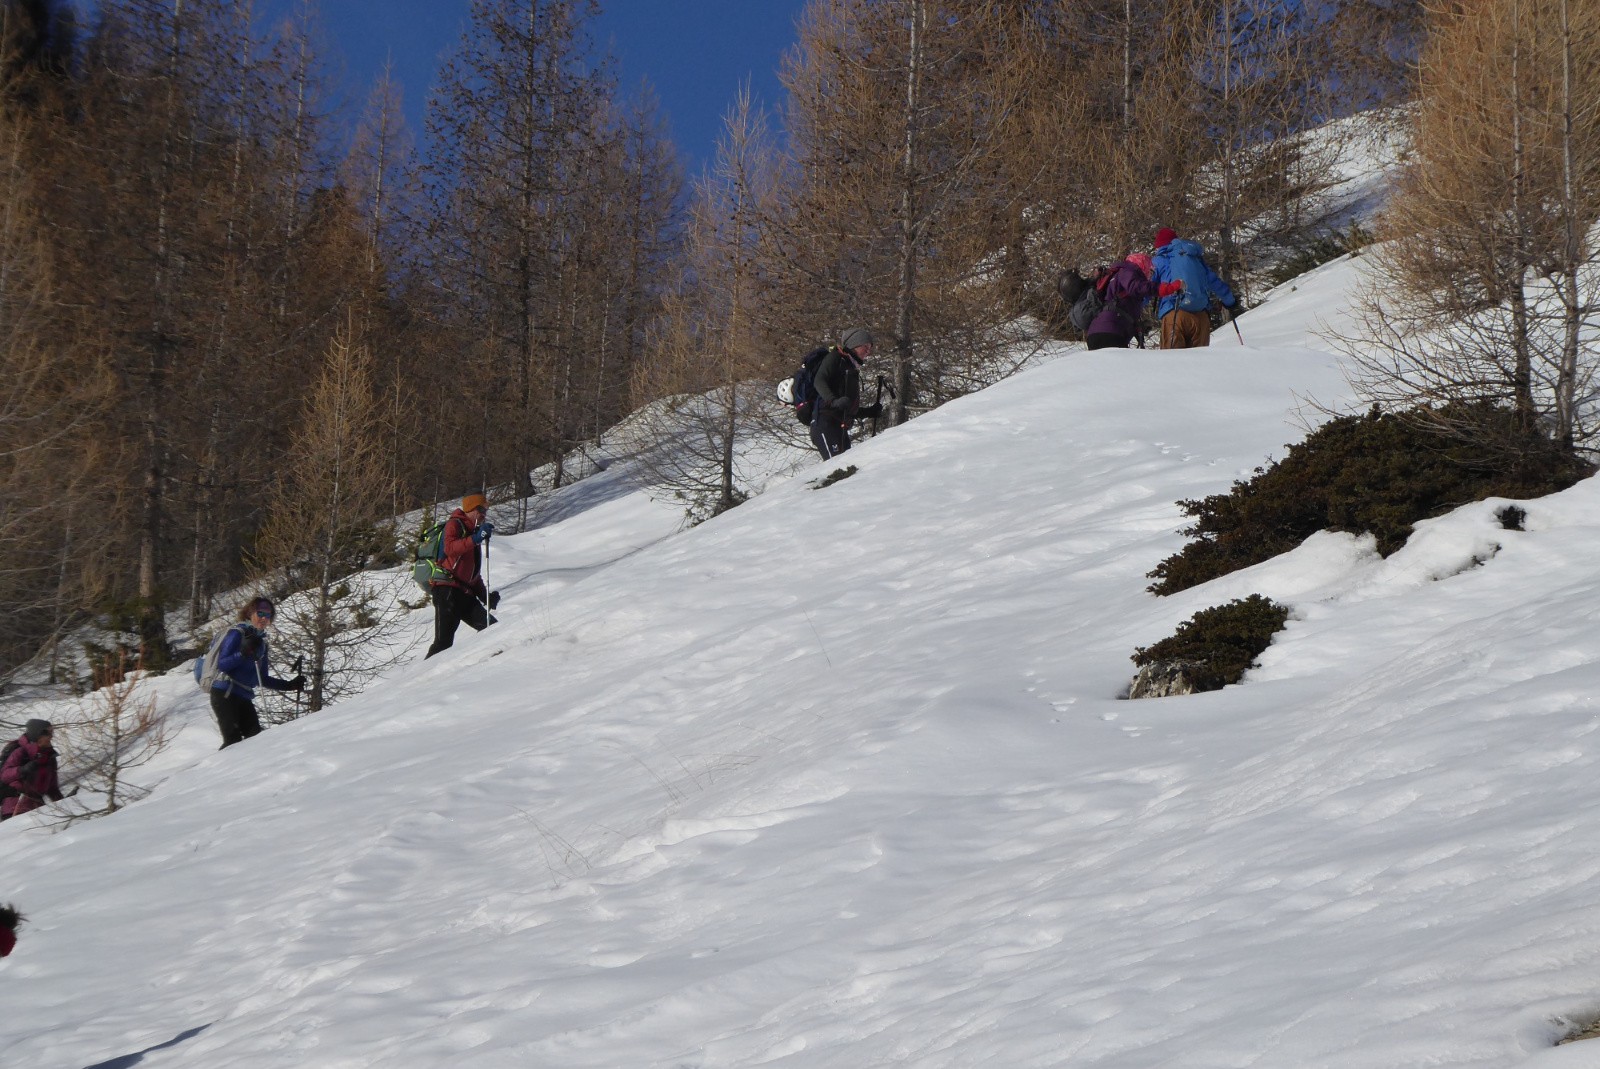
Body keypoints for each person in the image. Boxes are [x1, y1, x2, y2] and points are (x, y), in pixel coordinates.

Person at [209, 598, 305, 748]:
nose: (264, 618)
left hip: (243, 694)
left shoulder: (261, 643)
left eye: (268, 615)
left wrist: (290, 685)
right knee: (232, 741)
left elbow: (262, 678)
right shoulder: (236, 633)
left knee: (255, 738)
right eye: (260, 613)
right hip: (224, 692)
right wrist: (243, 653)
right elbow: (222, 664)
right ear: (249, 613)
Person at [425, 493, 500, 659]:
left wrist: (485, 597)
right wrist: (475, 539)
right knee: (443, 643)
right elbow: (450, 549)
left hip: (464, 593)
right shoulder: (455, 524)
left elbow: (472, 575)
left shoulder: (473, 532)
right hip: (447, 591)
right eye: (481, 509)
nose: (484, 513)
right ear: (471, 508)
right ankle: (419, 681)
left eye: (486, 509)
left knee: (493, 628)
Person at [1149, 227, 1238, 349]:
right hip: (1200, 316)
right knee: (1198, 364)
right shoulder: (1195, 258)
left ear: (1160, 245)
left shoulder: (1159, 261)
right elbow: (1214, 282)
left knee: (1171, 363)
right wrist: (1230, 301)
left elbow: (1148, 288)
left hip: (1174, 313)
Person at [809, 326, 884, 460]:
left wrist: (869, 412)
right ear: (854, 344)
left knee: (846, 468)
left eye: (870, 347)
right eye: (865, 346)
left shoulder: (850, 367)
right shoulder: (836, 357)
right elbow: (819, 381)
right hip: (825, 423)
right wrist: (833, 401)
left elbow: (845, 406)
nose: (868, 350)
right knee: (837, 468)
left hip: (839, 425)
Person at [1084, 253, 1182, 350]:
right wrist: (1166, 288)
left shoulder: (1115, 276)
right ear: (1142, 265)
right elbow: (1137, 287)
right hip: (1111, 332)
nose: (1148, 273)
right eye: (1148, 268)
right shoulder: (1128, 272)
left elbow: (1119, 308)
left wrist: (1136, 328)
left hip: (1097, 332)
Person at [1, 720, 62, 820]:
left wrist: (65, 803)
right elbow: (4, 775)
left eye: (52, 732)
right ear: (37, 734)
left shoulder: (49, 756)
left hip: (37, 808)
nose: (51, 736)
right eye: (47, 733)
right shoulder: (20, 751)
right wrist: (22, 770)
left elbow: (52, 788)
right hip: (15, 807)